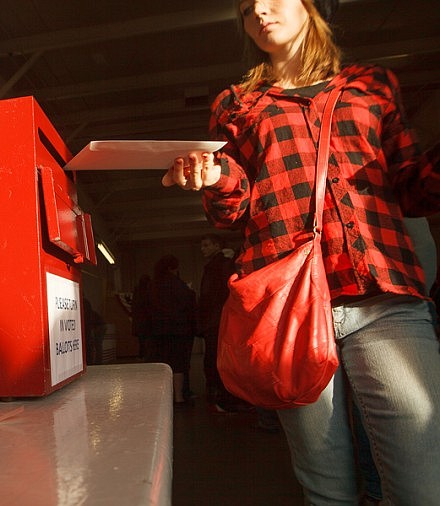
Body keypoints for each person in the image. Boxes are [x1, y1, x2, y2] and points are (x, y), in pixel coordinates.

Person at [161, 0, 440, 503]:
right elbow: (234, 208)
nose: (260, 13)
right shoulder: (237, 103)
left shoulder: (372, 86)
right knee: (326, 489)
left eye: (271, 0)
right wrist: (216, 177)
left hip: (382, 299)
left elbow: (413, 187)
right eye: (247, 10)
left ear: (312, 8)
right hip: (286, 308)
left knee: (420, 486)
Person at [196, 233, 245, 412]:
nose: (203, 249)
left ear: (217, 245)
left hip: (215, 319)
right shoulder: (224, 262)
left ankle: (222, 398)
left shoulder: (217, 265)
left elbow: (210, 294)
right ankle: (226, 397)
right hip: (221, 318)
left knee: (215, 359)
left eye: (207, 245)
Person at [149, 254, 198, 404]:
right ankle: (178, 397)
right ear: (173, 268)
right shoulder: (177, 284)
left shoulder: (154, 284)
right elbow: (187, 303)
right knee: (178, 363)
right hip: (177, 329)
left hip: (158, 330)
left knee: (163, 363)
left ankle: (163, 397)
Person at [131, 274, 153, 360]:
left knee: (142, 341)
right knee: (148, 341)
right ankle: (147, 355)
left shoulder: (137, 291)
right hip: (148, 321)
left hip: (139, 321)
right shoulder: (150, 291)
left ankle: (142, 355)